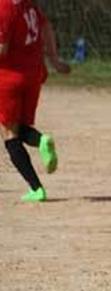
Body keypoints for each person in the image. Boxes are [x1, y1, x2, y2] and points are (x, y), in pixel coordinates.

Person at [0, 0, 69, 203]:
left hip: (9, 77)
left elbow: (2, 50)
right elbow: (46, 26)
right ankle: (40, 141)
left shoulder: (4, 7)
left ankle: (36, 188)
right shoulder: (28, 3)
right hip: (34, 74)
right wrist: (54, 59)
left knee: (9, 133)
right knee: (18, 126)